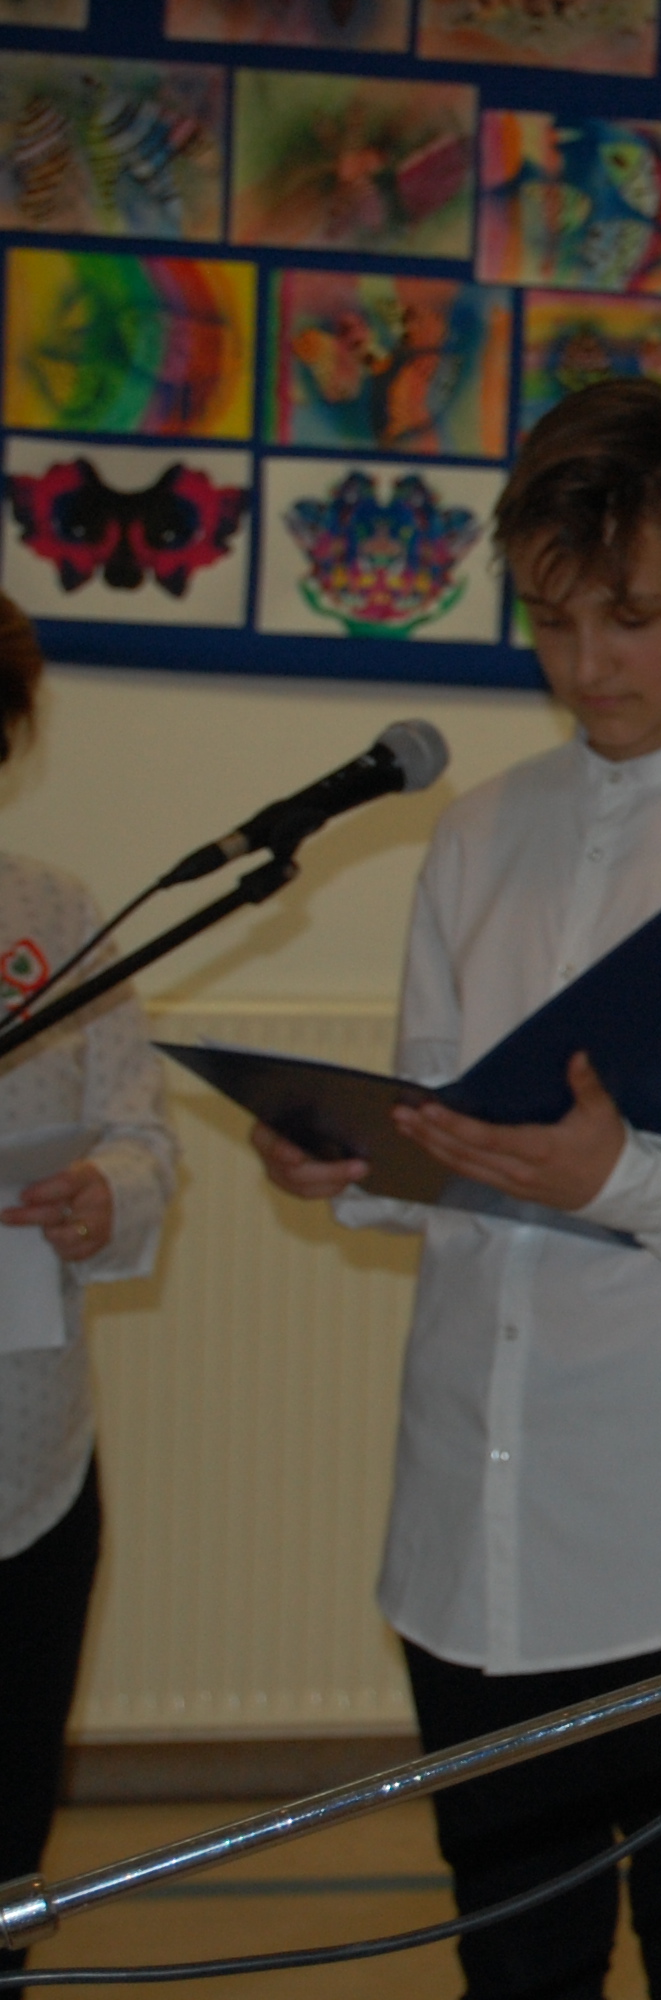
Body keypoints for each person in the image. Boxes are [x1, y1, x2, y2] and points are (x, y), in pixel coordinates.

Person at [251, 381, 661, 2000]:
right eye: (552, 623)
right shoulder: (480, 832)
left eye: (632, 616)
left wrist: (630, 1178)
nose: (589, 665)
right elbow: (447, 1144)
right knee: (513, 1953)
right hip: (462, 1522)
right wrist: (352, 1163)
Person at [0, 596, 178, 1978]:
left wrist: (110, 1189)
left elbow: (142, 1128)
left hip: (31, 1469)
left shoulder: (56, 915)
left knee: (5, 1846)